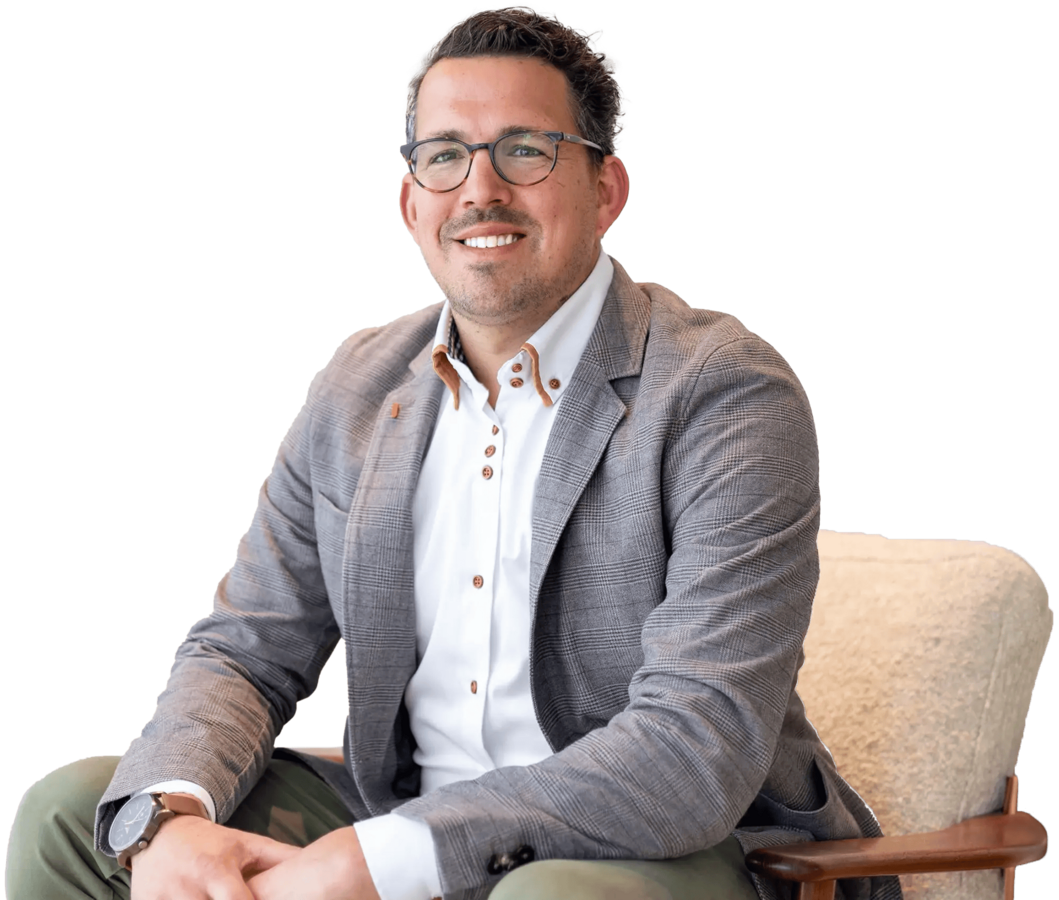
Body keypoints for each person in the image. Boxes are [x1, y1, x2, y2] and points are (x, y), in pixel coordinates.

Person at [8, 5, 902, 899]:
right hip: (396, 809)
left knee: (546, 897)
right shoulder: (356, 384)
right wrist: (168, 816)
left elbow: (696, 741)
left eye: (525, 150)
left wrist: (381, 859)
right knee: (76, 814)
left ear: (606, 190)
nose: (480, 189)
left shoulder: (723, 390)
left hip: (679, 844)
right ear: (410, 201)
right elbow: (247, 647)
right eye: (444, 155)